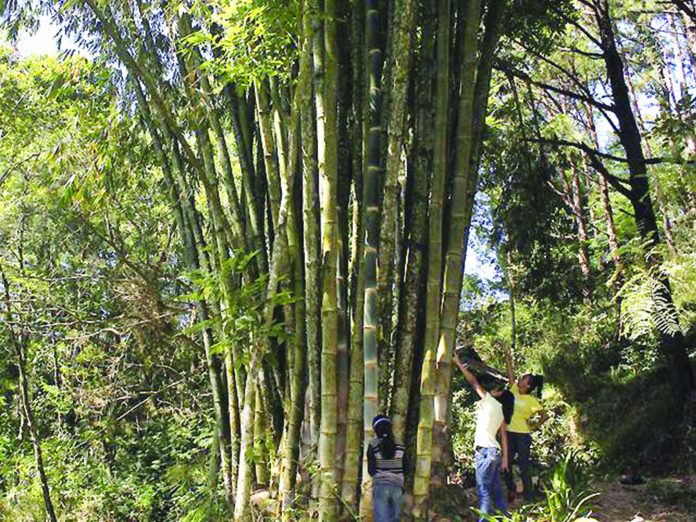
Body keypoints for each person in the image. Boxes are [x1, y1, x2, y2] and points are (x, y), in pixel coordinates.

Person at [454, 352, 514, 521]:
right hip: (496, 452)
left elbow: (473, 382)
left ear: (496, 392)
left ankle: (483, 519)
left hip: (485, 452)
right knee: (495, 489)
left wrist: (459, 364)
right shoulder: (502, 413)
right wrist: (505, 461)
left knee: (484, 491)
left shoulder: (488, 400)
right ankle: (504, 516)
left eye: (492, 388)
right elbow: (504, 437)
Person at [503, 349, 548, 503]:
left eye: (525, 378)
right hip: (509, 433)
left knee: (524, 466)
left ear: (528, 385)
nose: (521, 378)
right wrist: (508, 358)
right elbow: (511, 376)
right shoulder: (514, 390)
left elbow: (544, 415)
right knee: (506, 464)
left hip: (522, 435)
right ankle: (512, 489)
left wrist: (535, 425)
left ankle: (529, 498)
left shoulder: (531, 401)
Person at [367, 414, 406, 522]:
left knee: (382, 519)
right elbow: (405, 467)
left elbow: (371, 470)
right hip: (398, 487)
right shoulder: (400, 444)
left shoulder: (373, 445)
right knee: (396, 519)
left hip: (381, 487)